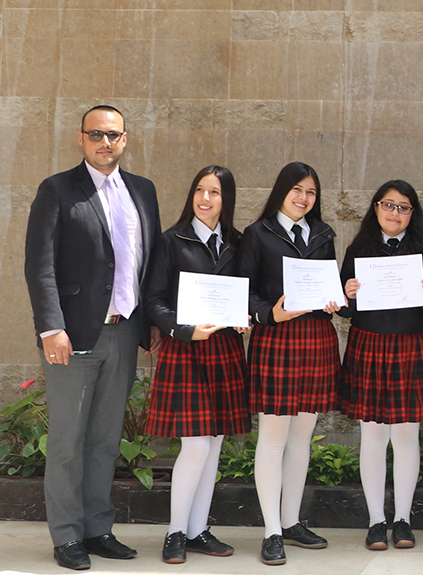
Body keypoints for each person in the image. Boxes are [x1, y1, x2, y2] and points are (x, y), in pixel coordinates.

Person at [24, 105, 161, 571]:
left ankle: (98, 529)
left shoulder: (142, 191)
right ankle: (66, 537)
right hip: (74, 335)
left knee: (105, 439)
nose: (106, 143)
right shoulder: (57, 190)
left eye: (114, 135)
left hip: (125, 332)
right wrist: (51, 327)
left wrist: (157, 319)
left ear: (126, 139)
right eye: (96, 135)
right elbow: (39, 265)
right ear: (80, 139)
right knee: (67, 440)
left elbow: (152, 261)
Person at [142, 165, 251, 564]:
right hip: (186, 349)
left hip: (224, 350)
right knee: (195, 444)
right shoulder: (172, 240)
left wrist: (246, 316)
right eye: (200, 190)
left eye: (215, 193)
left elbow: (247, 296)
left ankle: (198, 529)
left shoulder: (238, 243)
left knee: (215, 444)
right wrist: (184, 330)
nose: (205, 199)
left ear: (227, 200)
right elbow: (153, 300)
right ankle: (175, 533)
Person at [237, 162, 341, 566]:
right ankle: (271, 531)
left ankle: (292, 520)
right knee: (274, 438)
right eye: (297, 190)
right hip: (276, 339)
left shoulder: (323, 234)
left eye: (311, 193)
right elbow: (245, 292)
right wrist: (269, 314)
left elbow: (326, 286)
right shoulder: (257, 234)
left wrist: (334, 301)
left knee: (302, 437)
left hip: (316, 339)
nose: (303, 198)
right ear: (282, 191)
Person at [338, 180, 423, 551]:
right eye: (388, 205)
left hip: (413, 345)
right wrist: (347, 294)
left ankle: (402, 519)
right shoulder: (358, 248)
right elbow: (343, 306)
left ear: (413, 214)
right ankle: (375, 520)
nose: (395, 213)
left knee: (406, 435)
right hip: (369, 344)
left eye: (403, 207)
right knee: (373, 435)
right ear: (376, 207)